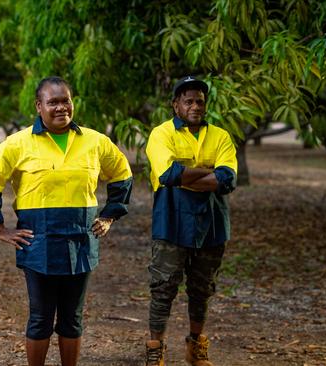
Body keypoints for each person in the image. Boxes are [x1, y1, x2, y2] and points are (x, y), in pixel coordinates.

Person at [0, 76, 133, 366]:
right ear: (38, 106)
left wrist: (109, 216)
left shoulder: (95, 141)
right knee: (40, 318)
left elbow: (122, 173)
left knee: (72, 318)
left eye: (66, 100)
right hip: (38, 243)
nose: (61, 107)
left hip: (81, 241)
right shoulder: (18, 144)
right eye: (53, 102)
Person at [143, 76, 238, 366]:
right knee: (163, 286)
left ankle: (196, 347)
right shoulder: (161, 134)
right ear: (176, 105)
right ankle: (155, 348)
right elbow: (168, 175)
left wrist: (188, 175)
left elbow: (228, 179)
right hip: (171, 220)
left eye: (200, 100)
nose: (195, 105)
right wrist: (206, 170)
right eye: (189, 100)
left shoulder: (220, 136)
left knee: (202, 288)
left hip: (211, 223)